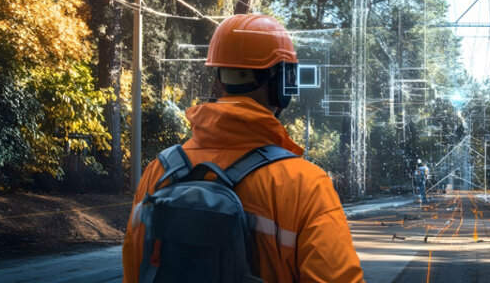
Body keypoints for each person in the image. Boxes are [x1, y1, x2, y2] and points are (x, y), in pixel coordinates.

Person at [122, 14, 364, 283]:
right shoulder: (304, 185)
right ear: (282, 85)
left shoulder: (158, 172)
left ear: (219, 79)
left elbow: (134, 273)